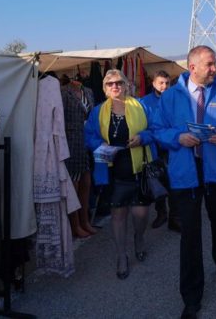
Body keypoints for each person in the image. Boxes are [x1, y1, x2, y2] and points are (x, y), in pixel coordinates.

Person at [152, 46, 216, 319]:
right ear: (192, 67)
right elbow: (157, 130)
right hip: (186, 175)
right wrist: (177, 138)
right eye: (210, 64)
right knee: (190, 236)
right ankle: (192, 297)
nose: (215, 69)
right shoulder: (171, 96)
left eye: (214, 63)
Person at [84, 69, 154, 280]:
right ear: (105, 89)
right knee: (118, 215)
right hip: (113, 172)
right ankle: (121, 255)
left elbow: (155, 129)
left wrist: (142, 137)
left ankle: (139, 237)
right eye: (110, 84)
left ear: (126, 85)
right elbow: (89, 135)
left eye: (119, 83)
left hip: (139, 169)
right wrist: (100, 144)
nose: (115, 86)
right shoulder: (98, 111)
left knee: (141, 214)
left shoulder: (141, 106)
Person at [139, 70, 181, 232]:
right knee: (157, 182)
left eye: (167, 83)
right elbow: (143, 126)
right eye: (161, 83)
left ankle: (175, 217)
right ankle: (161, 213)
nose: (164, 86)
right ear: (153, 83)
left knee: (174, 183)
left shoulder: (175, 99)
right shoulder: (144, 102)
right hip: (154, 147)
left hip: (171, 147)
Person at [60, 75, 96, 238]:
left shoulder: (88, 91)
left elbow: (91, 115)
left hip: (86, 141)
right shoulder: (63, 92)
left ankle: (85, 220)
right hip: (70, 142)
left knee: (86, 183)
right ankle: (75, 225)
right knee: (73, 186)